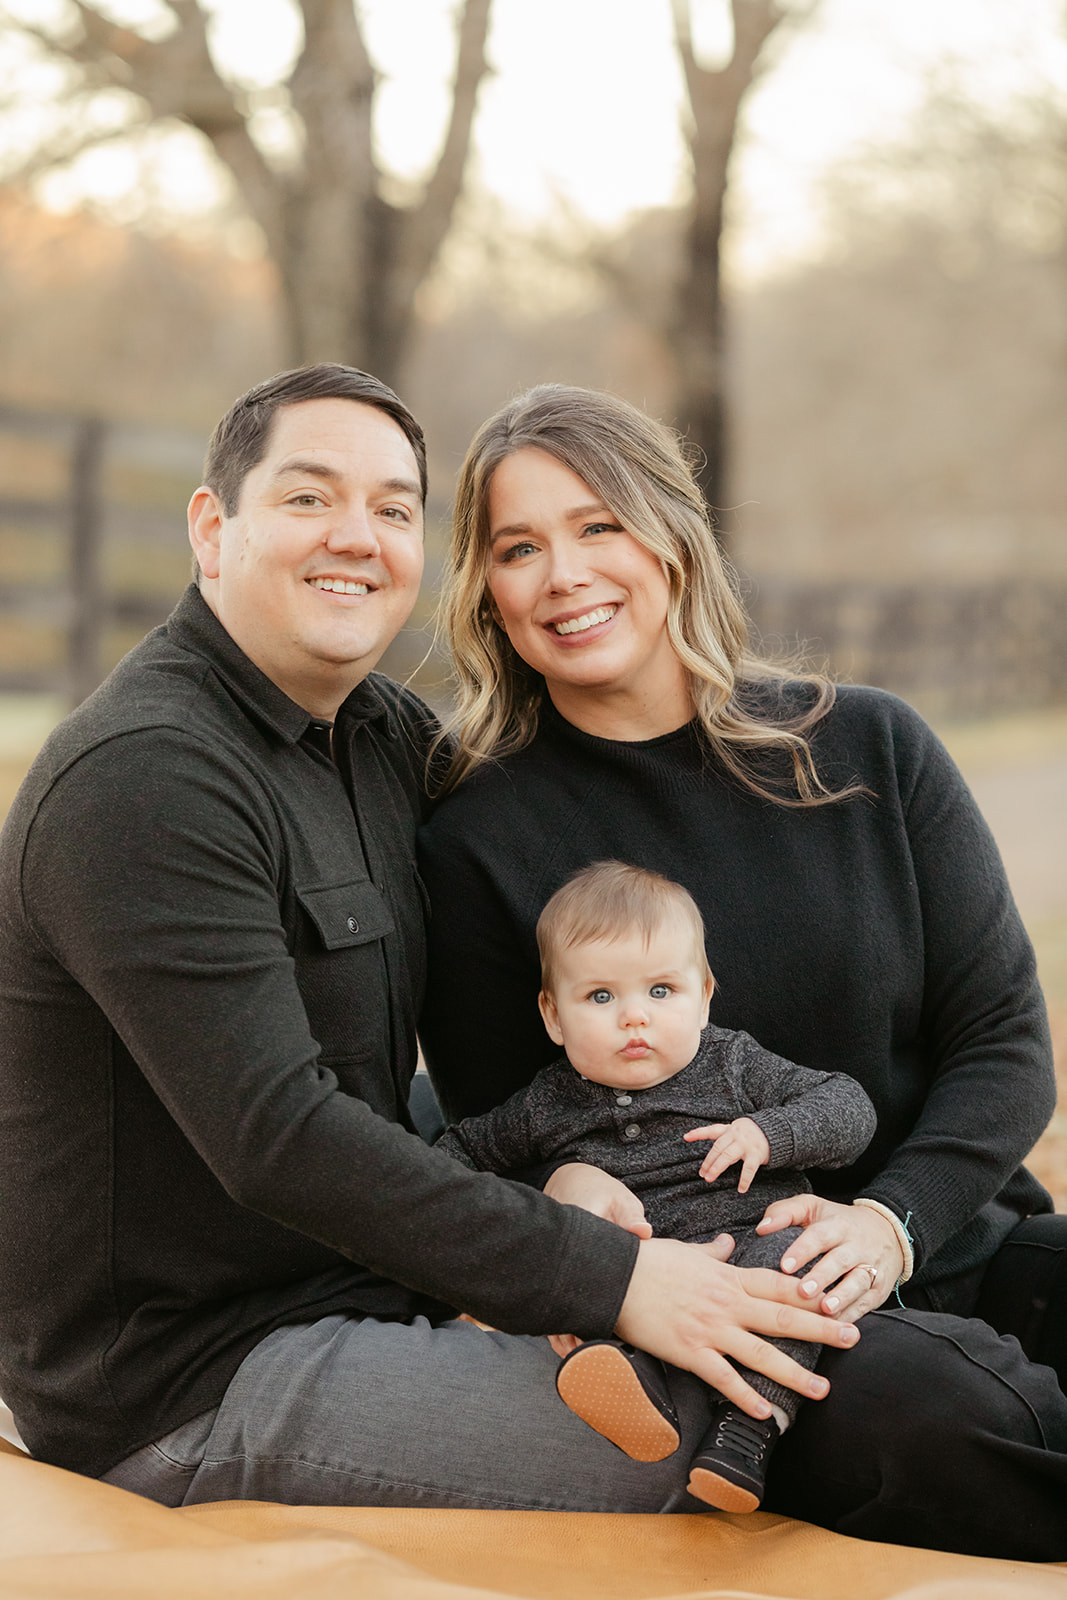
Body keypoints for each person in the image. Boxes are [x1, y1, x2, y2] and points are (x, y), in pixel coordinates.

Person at [0, 363, 859, 1513]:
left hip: (359, 1288)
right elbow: (281, 1137)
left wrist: (557, 1164)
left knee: (760, 1349)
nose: (356, 537)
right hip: (191, 1380)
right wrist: (613, 1280)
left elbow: (569, 892)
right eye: (308, 498)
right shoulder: (149, 778)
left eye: (393, 509)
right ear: (213, 528)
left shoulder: (376, 736)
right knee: (715, 1410)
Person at [417, 382, 1067, 1560]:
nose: (563, 573)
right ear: (486, 589)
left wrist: (889, 1222)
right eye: (518, 547)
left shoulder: (869, 746)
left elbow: (1005, 1048)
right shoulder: (475, 838)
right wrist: (571, 1209)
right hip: (743, 1314)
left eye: (596, 525)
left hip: (941, 1234)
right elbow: (501, 1135)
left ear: (670, 534)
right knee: (952, 1423)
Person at [437, 860, 877, 1512]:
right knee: (589, 1285)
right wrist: (549, 1223)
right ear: (554, 1018)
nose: (633, 1018)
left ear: (703, 997)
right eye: (601, 997)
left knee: (797, 1271)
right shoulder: (548, 1101)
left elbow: (848, 1108)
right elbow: (456, 1157)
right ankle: (628, 1386)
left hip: (746, 1247)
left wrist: (770, 1133)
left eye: (661, 991)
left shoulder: (731, 1065)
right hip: (637, 1282)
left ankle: (746, 1437)